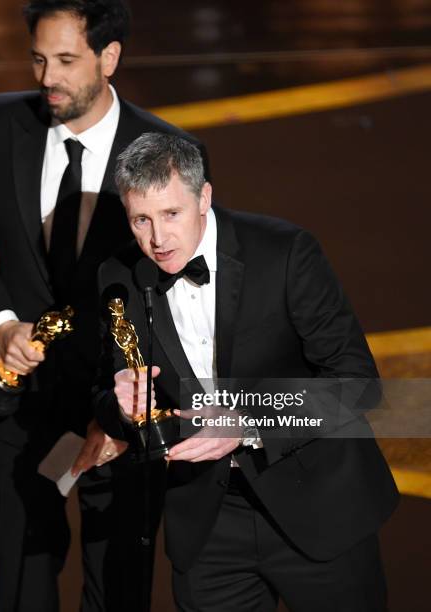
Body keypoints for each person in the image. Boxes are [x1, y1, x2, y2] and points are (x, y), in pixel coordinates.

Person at [0, 1, 209, 610]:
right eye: (38, 58)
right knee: (20, 575)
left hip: (122, 410)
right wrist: (1, 323)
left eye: (65, 60)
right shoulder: (1, 123)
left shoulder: (168, 151)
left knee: (117, 588)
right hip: (24, 405)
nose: (46, 77)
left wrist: (130, 399)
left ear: (109, 57)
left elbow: (186, 286)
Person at [93, 132, 399, 612]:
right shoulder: (119, 277)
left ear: (204, 197)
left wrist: (249, 419)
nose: (156, 238)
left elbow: (358, 384)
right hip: (206, 525)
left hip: (316, 508)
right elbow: (115, 394)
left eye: (171, 214)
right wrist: (122, 406)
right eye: (141, 220)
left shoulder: (285, 252)